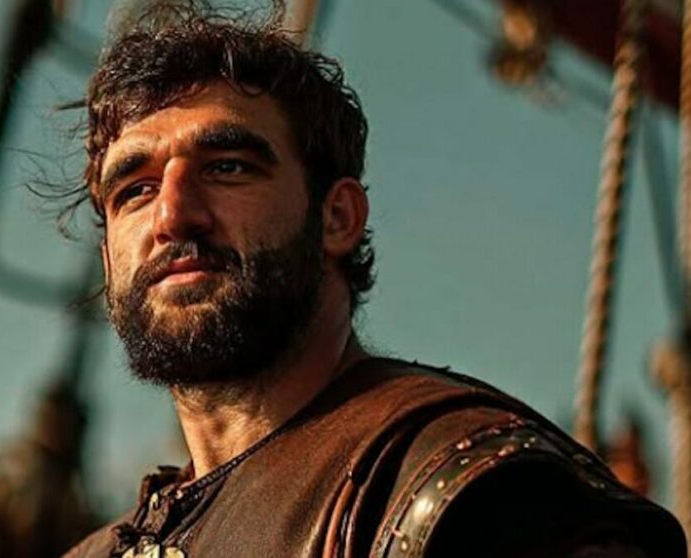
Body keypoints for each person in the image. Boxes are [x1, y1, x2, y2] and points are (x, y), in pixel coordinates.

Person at [55, 1, 686, 556]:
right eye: (134, 191)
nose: (172, 215)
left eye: (227, 167)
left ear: (337, 217)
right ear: (108, 261)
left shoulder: (468, 496)